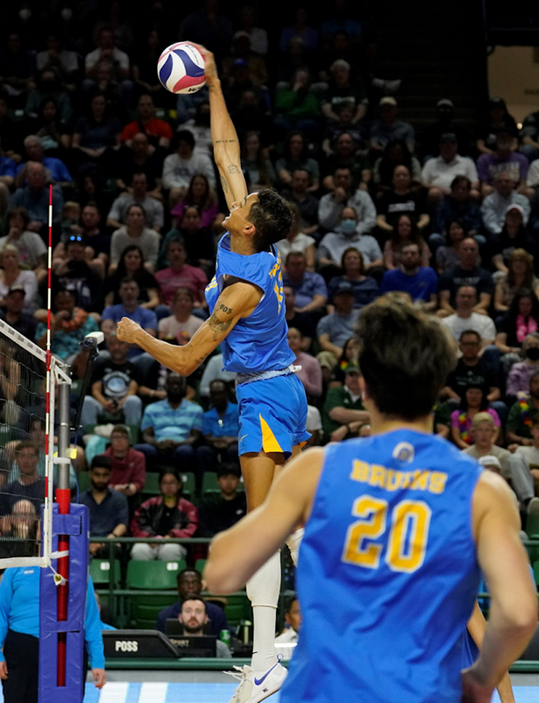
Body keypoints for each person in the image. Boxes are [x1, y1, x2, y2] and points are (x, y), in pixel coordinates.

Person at [202, 296, 538, 703]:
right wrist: (484, 679)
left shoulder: (316, 472)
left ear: (365, 389)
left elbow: (220, 573)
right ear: (437, 389)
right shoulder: (484, 491)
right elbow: (519, 615)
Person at [116, 44, 305, 699]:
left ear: (250, 225)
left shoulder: (240, 290)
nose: (235, 197)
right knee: (282, 526)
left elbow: (190, 359)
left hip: (270, 396)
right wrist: (214, 83)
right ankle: (282, 649)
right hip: (269, 391)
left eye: (243, 203)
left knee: (261, 529)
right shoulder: (245, 231)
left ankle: (262, 665)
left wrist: (139, 334)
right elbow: (227, 151)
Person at [0, 564, 107, 703]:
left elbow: (91, 620)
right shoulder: (15, 569)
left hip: (66, 650)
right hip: (22, 648)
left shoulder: (78, 571)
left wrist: (98, 661)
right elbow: (0, 613)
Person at [137, 373, 203, 473]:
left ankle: (183, 481)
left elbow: (195, 436)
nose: (175, 387)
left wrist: (177, 444)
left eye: (179, 384)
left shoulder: (196, 409)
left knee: (185, 452)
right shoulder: (151, 408)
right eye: (171, 384)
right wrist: (158, 444)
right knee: (140, 449)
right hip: (157, 446)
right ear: (165, 387)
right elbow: (146, 434)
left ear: (185, 388)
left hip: (182, 445)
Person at [130, 470, 198, 560]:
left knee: (170, 549)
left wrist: (172, 536)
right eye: (164, 483)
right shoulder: (149, 505)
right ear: (159, 485)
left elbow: (191, 528)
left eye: (172, 483)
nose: (168, 486)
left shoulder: (188, 508)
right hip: (151, 542)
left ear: (179, 485)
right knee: (139, 549)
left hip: (176, 543)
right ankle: (145, 574)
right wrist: (149, 538)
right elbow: (136, 525)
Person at [78, 455, 129, 556]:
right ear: (90, 474)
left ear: (111, 475)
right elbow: (75, 527)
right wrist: (87, 543)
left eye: (105, 475)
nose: (101, 479)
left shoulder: (119, 499)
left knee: (113, 549)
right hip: (84, 543)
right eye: (97, 474)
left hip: (109, 543)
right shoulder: (79, 500)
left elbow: (122, 524)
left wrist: (110, 539)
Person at [156, 568, 230, 635]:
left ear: (201, 586)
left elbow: (225, 642)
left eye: (194, 583)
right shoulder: (165, 615)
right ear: (178, 587)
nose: (190, 586)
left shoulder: (216, 613)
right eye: (185, 583)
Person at [379, 243, 438, 308]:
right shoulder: (389, 276)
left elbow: (434, 302)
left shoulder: (429, 273)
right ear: (400, 256)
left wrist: (421, 307)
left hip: (422, 311)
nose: (409, 256)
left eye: (413, 253)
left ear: (419, 256)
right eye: (405, 253)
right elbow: (383, 301)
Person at [199, 463, 247, 538]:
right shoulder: (208, 504)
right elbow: (204, 530)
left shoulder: (246, 503)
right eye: (224, 478)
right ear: (218, 481)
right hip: (214, 544)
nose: (229, 482)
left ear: (238, 481)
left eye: (233, 478)